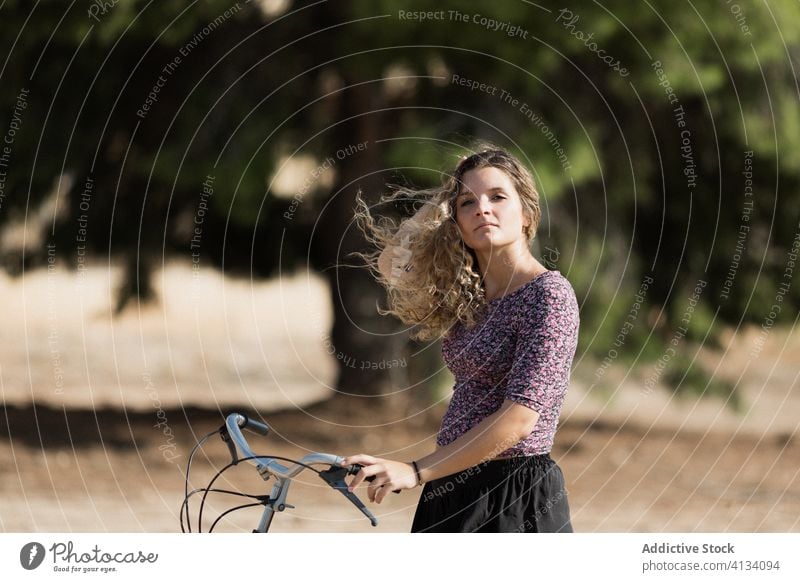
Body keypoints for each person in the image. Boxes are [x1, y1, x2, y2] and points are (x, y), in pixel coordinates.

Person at [344, 147, 579, 532]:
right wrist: (443, 198)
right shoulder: (466, 294)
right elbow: (391, 263)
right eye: (468, 203)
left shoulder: (548, 295)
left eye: (498, 197)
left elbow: (520, 419)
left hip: (513, 496)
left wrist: (416, 471)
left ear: (527, 215)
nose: (483, 209)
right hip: (450, 486)